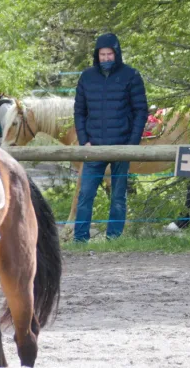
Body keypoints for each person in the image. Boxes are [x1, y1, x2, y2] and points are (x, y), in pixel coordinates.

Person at [72, 33, 148, 242]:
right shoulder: (86, 77)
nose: (106, 58)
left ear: (117, 53)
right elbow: (79, 111)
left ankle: (113, 239)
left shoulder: (131, 76)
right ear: (97, 55)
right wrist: (84, 140)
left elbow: (141, 111)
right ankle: (80, 240)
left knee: (118, 197)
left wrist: (131, 144)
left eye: (109, 53)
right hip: (93, 147)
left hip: (122, 146)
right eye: (102, 54)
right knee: (85, 195)